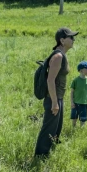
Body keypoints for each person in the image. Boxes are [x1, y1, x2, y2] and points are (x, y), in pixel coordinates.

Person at [34, 27, 78, 157]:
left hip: (58, 97)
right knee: (49, 128)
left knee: (56, 128)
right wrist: (54, 102)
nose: (73, 40)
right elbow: (50, 80)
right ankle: (40, 155)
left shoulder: (61, 55)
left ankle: (50, 151)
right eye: (71, 37)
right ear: (62, 40)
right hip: (53, 98)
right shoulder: (58, 56)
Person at [70, 61, 87, 128]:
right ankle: (73, 129)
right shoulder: (75, 80)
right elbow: (72, 92)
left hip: (84, 104)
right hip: (75, 103)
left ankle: (82, 130)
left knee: (83, 119)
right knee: (74, 118)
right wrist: (72, 102)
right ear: (81, 70)